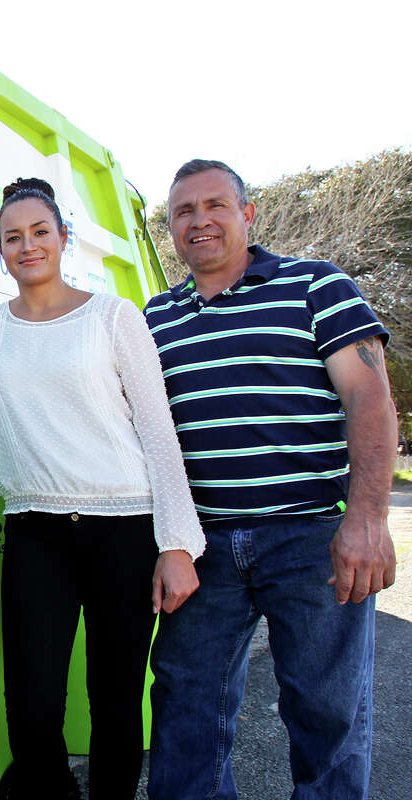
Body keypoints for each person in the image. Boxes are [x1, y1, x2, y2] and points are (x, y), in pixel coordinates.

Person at [0, 178, 204, 800]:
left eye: (40, 232)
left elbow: (158, 430)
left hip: (123, 527)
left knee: (115, 692)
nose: (28, 246)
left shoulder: (113, 316)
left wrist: (177, 543)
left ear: (62, 238)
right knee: (31, 697)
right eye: (12, 238)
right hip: (34, 530)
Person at [144, 159, 398, 799]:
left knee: (327, 714)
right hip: (200, 546)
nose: (199, 221)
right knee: (186, 711)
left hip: (310, 538)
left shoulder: (316, 286)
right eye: (183, 212)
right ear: (171, 228)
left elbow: (369, 399)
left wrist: (367, 520)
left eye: (215, 206)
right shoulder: (154, 319)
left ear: (248, 214)